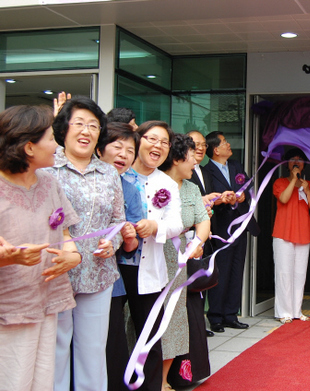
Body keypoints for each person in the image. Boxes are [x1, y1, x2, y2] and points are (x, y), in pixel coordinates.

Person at [0, 105, 81, 390]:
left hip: (47, 298)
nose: (57, 145)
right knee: (13, 380)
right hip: (10, 307)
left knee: (43, 379)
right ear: (29, 147)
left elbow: (66, 231)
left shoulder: (49, 182)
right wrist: (6, 258)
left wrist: (73, 255)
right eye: (50, 138)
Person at [48, 96, 126, 391]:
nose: (86, 131)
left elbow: (118, 220)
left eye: (93, 125)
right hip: (56, 272)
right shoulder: (47, 170)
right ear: (63, 129)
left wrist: (112, 242)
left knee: (93, 351)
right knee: (55, 350)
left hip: (98, 271)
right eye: (78, 123)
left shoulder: (108, 172)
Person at [121, 120, 183, 391]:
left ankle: (150, 387)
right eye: (152, 139)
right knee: (114, 333)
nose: (157, 146)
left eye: (164, 142)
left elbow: (177, 223)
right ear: (138, 140)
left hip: (147, 268)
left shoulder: (166, 183)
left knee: (149, 335)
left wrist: (156, 226)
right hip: (115, 267)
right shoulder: (118, 173)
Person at [159, 134, 210, 391]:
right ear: (178, 158)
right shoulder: (155, 182)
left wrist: (196, 243)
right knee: (149, 316)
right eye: (191, 157)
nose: (194, 162)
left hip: (179, 261)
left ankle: (164, 380)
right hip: (155, 257)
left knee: (175, 319)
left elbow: (203, 220)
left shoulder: (191, 188)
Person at [97, 122, 143, 391]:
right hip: (65, 278)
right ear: (100, 148)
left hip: (110, 281)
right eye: (118, 146)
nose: (124, 154)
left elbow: (131, 248)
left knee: (110, 345)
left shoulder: (130, 190)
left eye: (130, 149)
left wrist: (128, 237)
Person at [204, 131, 259, 333]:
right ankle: (216, 316)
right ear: (216, 149)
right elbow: (206, 197)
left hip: (240, 226)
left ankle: (230, 315)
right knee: (221, 271)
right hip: (220, 227)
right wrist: (221, 199)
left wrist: (243, 194)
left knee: (237, 271)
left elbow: (247, 183)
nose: (229, 145)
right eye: (225, 142)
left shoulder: (235, 165)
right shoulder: (207, 171)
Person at [271, 148, 310, 324]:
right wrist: (294, 180)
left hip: (303, 234)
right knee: (284, 274)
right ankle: (284, 312)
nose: (297, 161)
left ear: (304, 164)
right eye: (293, 159)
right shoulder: (280, 182)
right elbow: (283, 199)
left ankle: (296, 311)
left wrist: (306, 190)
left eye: (300, 159)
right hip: (283, 233)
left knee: (299, 274)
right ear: (287, 164)